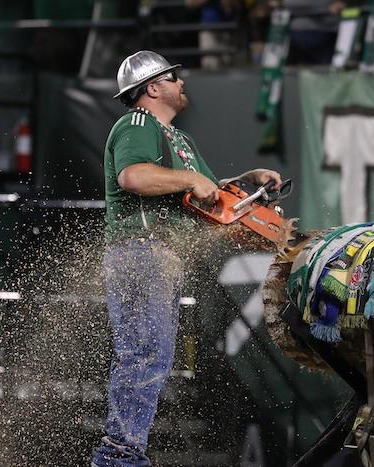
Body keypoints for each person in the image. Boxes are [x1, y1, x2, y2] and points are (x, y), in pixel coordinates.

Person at [91, 50, 282, 467]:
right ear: (153, 88)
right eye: (173, 77)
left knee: (152, 357)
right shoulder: (137, 123)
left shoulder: (182, 140)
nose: (182, 82)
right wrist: (193, 179)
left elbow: (209, 194)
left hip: (160, 259)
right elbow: (133, 176)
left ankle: (122, 453)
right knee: (145, 355)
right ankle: (118, 458)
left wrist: (245, 181)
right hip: (140, 252)